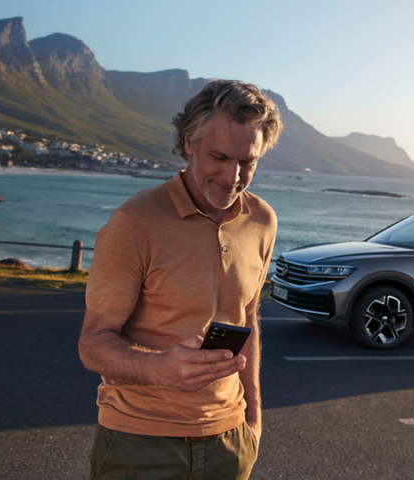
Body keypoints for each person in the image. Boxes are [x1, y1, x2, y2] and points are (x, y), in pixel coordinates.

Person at [78, 79, 283, 480]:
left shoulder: (263, 220)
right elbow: (92, 344)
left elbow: (248, 320)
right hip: (139, 445)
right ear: (189, 143)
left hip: (229, 441)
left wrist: (253, 421)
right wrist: (161, 370)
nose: (232, 176)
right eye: (219, 157)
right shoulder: (134, 223)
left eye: (248, 162)